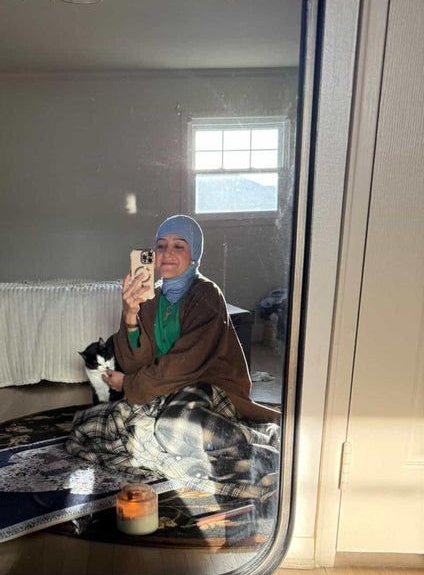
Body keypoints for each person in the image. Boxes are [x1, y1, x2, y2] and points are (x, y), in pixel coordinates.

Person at [66, 215, 280, 502]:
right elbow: (135, 363)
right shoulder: (151, 298)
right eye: (161, 245)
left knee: (173, 427)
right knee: (86, 428)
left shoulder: (206, 294)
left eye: (179, 246)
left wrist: (129, 383)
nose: (167, 253)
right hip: (163, 392)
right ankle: (183, 448)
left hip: (207, 389)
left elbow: (184, 364)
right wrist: (130, 314)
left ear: (194, 255)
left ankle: (260, 449)